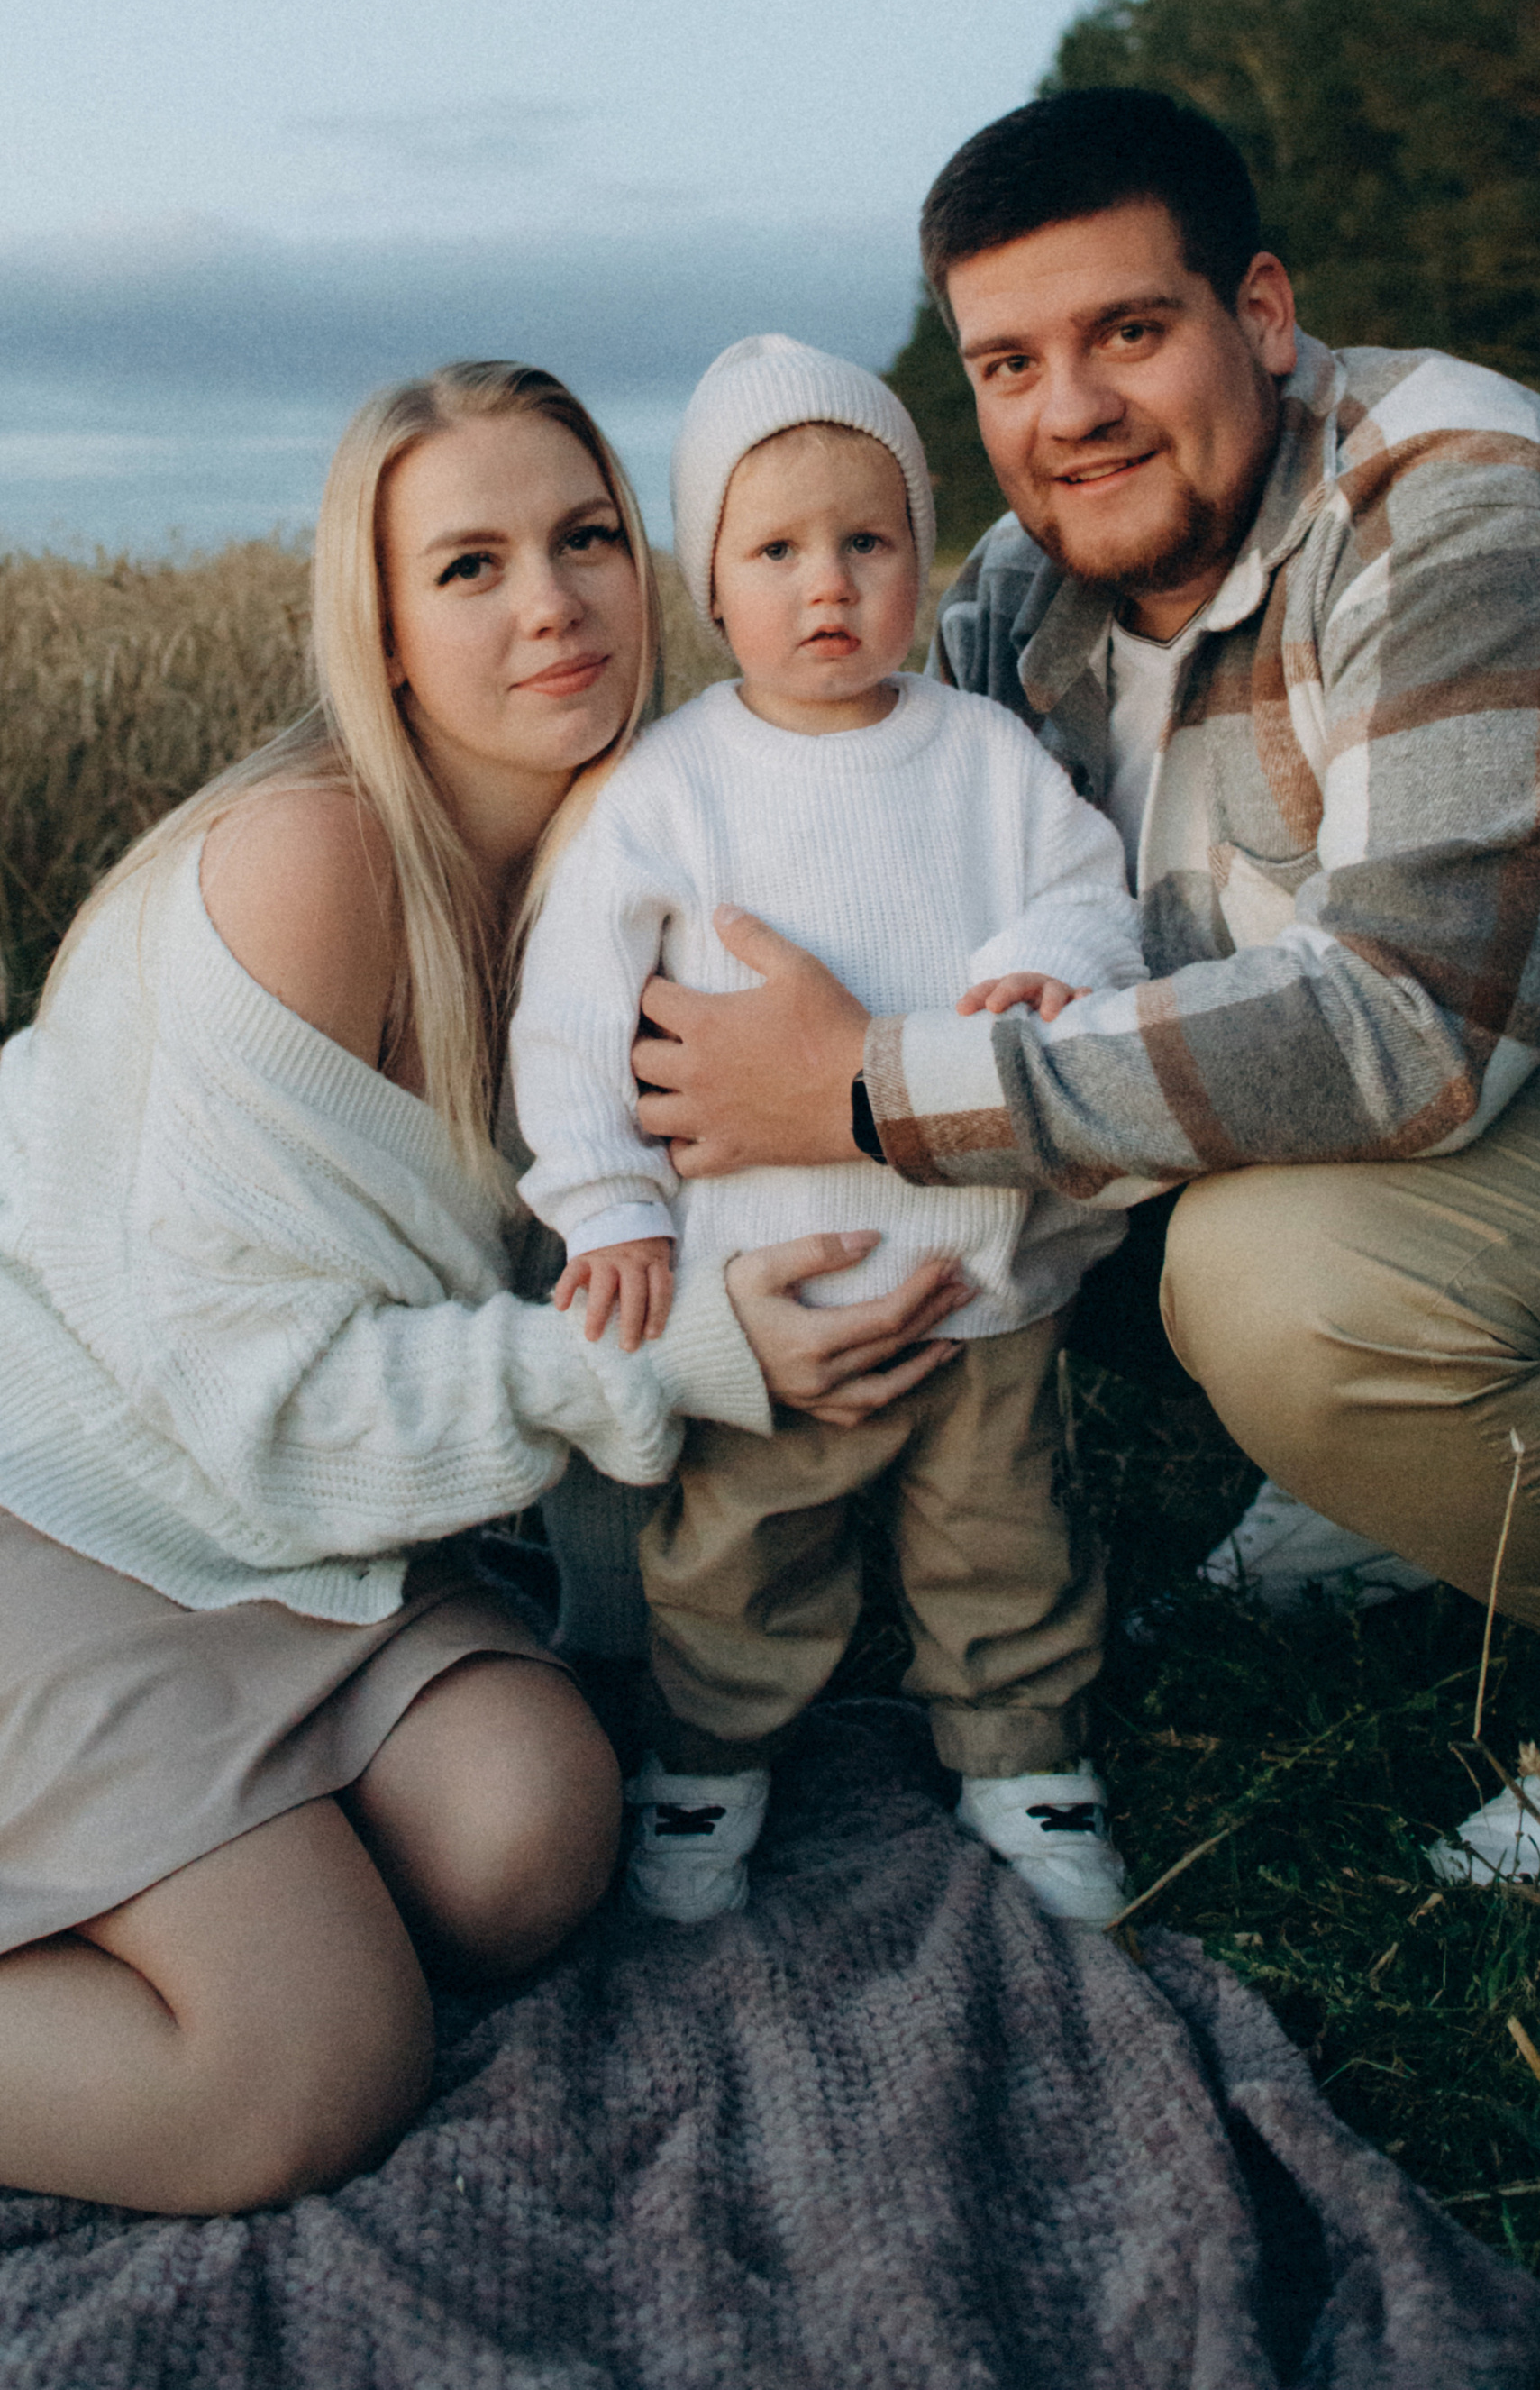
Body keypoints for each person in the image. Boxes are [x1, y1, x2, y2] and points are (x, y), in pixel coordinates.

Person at [0, 360, 969, 2213]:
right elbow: (267, 1402)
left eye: (583, 539)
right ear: (377, 630)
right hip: (27, 1507)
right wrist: (698, 1357)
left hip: (302, 1552)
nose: (547, 601)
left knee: (530, 1847)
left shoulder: (630, 866)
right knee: (291, 2075)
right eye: (465, 566)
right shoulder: (309, 864)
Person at [628, 92, 1540, 1908]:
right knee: (1095, 1106)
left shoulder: (1461, 512)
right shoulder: (1016, 600)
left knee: (1276, 1277)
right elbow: (829, 814)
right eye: (1007, 363)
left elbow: (1409, 1034)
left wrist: (862, 1091)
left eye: (1125, 332)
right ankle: (1390, 1486)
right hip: (1500, 1160)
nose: (1065, 413)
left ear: (1262, 316)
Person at [513, 336, 1148, 1926]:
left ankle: (1022, 1752)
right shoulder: (668, 792)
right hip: (768, 1283)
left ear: (917, 557)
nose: (828, 586)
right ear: (710, 587)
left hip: (982, 1272)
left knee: (1002, 1530)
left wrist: (1056, 965)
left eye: (867, 542)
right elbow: (576, 1016)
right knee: (739, 1545)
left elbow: (1087, 895)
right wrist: (609, 1208)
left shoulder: (984, 758)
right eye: (776, 549)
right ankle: (711, 1755)